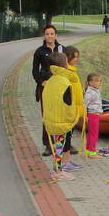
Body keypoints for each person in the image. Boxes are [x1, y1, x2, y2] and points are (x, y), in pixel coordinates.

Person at [42, 51, 78, 180]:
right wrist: (72, 117)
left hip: (51, 119)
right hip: (62, 120)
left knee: (57, 146)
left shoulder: (51, 81)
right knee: (59, 147)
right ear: (64, 64)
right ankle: (58, 172)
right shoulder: (65, 82)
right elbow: (69, 104)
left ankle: (57, 169)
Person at [32, 24, 65, 156]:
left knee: (61, 115)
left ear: (56, 35)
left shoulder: (62, 49)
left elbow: (67, 67)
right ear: (44, 36)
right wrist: (41, 82)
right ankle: (48, 144)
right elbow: (35, 71)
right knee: (47, 115)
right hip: (46, 87)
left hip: (60, 87)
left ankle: (64, 144)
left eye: (52, 34)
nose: (50, 36)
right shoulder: (39, 51)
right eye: (47, 34)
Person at [61, 46, 84, 168]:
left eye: (77, 57)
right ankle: (64, 162)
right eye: (75, 57)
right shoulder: (67, 73)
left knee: (69, 136)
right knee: (66, 136)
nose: (77, 59)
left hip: (74, 108)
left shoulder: (72, 71)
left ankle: (67, 160)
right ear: (68, 57)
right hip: (70, 109)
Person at [84, 73, 103, 158]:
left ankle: (88, 150)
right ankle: (92, 153)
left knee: (91, 134)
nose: (99, 83)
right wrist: (85, 115)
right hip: (93, 115)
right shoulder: (90, 92)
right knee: (94, 134)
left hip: (95, 115)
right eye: (97, 81)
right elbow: (84, 104)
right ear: (90, 82)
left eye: (100, 81)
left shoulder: (95, 90)